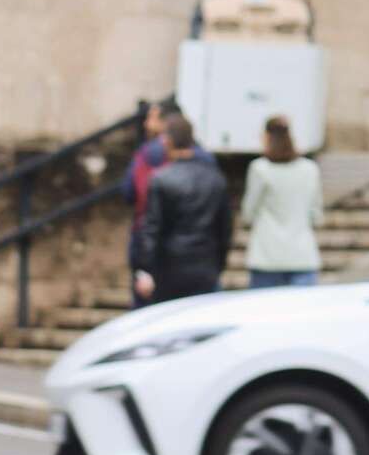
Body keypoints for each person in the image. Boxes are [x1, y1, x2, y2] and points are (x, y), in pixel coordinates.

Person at [131, 112, 232, 304]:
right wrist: (218, 264)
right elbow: (224, 229)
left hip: (170, 269)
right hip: (205, 266)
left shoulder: (161, 179)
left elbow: (151, 228)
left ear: (167, 141)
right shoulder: (215, 178)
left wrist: (145, 270)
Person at [238, 114, 323, 287]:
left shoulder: (259, 169)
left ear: (267, 137)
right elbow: (317, 215)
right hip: (302, 256)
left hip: (266, 256)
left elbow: (248, 213)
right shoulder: (310, 169)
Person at [117, 100, 173, 305]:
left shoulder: (148, 153)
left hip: (147, 237)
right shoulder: (200, 156)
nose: (146, 124)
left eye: (151, 118)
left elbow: (129, 191)